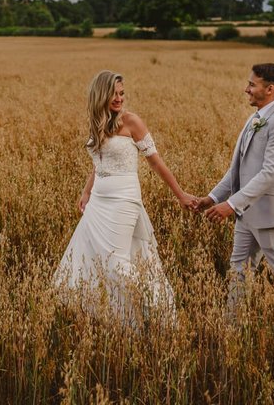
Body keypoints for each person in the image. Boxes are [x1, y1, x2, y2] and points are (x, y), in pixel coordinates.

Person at [54, 70, 198, 316]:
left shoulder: (132, 121)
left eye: (122, 93)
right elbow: (99, 163)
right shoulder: (98, 122)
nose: (119, 98)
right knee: (87, 258)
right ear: (101, 94)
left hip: (124, 200)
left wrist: (180, 194)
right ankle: (117, 316)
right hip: (98, 201)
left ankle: (158, 304)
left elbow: (155, 162)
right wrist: (86, 192)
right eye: (114, 93)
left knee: (115, 262)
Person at [196, 63, 274, 318]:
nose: (246, 89)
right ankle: (232, 331)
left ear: (270, 89)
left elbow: (270, 173)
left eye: (252, 84)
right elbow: (237, 170)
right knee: (238, 271)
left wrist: (231, 205)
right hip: (246, 215)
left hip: (270, 214)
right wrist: (213, 197)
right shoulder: (255, 118)